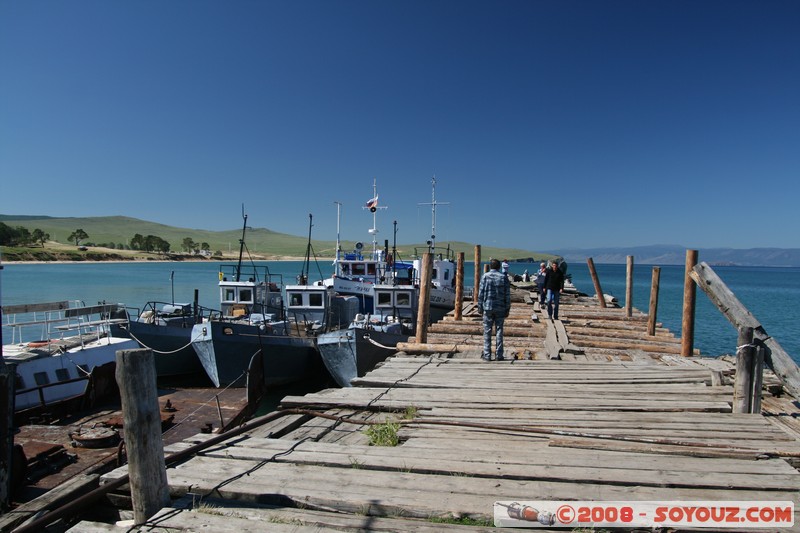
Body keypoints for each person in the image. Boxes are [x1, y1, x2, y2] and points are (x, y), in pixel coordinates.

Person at [478, 259, 511, 361]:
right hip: (500, 307)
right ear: (499, 267)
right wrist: (507, 308)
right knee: (499, 330)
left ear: (490, 266)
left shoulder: (485, 276)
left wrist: (480, 307)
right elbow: (507, 294)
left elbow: (481, 293)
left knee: (487, 331)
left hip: (488, 307)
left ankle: (487, 354)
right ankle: (499, 354)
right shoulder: (503, 277)